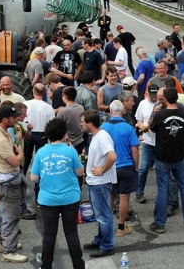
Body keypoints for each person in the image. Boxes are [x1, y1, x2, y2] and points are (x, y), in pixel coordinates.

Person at [30, 118, 85, 269]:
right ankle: (78, 265)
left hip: (48, 199)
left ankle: (46, 265)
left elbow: (33, 177)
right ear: (64, 134)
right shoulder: (70, 150)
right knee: (71, 232)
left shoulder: (41, 152)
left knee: (49, 234)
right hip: (70, 197)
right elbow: (80, 172)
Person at [148, 87, 184, 233]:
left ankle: (160, 223)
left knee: (162, 189)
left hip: (163, 156)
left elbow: (152, 129)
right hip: (180, 156)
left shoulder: (160, 115)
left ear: (166, 100)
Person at [0, 105, 27, 263]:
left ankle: (3, 243)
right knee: (10, 217)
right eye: (13, 117)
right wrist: (21, 153)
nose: (17, 118)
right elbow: (15, 160)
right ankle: (9, 251)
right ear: (5, 119)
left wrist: (16, 144)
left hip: (2, 179)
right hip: (7, 181)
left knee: (2, 214)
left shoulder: (3, 131)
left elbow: (12, 145)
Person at [81, 110, 117, 258]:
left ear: (90, 123)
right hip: (95, 182)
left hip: (100, 183)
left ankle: (107, 245)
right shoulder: (96, 136)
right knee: (100, 214)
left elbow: (112, 156)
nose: (81, 124)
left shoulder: (102, 137)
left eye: (82, 122)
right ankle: (100, 240)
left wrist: (102, 169)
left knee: (103, 215)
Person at [101, 101, 140, 237]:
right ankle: (121, 227)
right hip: (126, 165)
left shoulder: (103, 127)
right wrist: (136, 165)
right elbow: (134, 149)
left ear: (110, 111)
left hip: (109, 167)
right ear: (122, 111)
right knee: (124, 197)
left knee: (110, 196)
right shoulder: (128, 127)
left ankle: (106, 226)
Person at [135, 84, 159, 203]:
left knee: (161, 169)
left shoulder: (160, 104)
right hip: (148, 141)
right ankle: (139, 192)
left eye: (156, 96)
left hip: (160, 142)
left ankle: (162, 195)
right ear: (147, 93)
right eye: (152, 96)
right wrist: (142, 127)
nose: (154, 98)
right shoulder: (143, 104)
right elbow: (138, 120)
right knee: (144, 167)